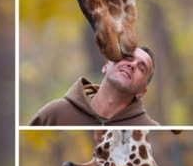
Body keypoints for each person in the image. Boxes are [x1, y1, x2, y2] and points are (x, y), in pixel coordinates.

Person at [29, 47, 159, 125]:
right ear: (106, 65)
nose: (132, 65)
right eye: (128, 58)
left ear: (142, 92)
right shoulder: (55, 113)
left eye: (141, 68)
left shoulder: (148, 129)